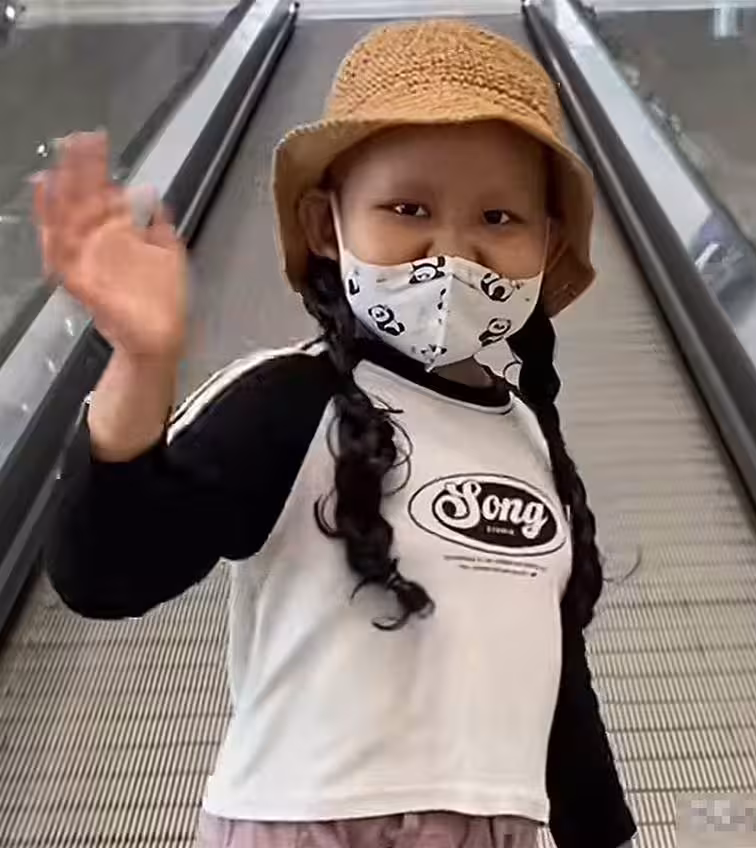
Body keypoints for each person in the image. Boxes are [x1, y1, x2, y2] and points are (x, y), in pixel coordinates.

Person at [36, 20, 636, 848]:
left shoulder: (533, 442)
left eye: (499, 217)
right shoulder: (286, 402)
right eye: (407, 208)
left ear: (548, 245)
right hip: (304, 821)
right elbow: (104, 573)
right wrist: (142, 361)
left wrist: (601, 832)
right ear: (328, 226)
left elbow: (555, 674)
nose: (452, 254)